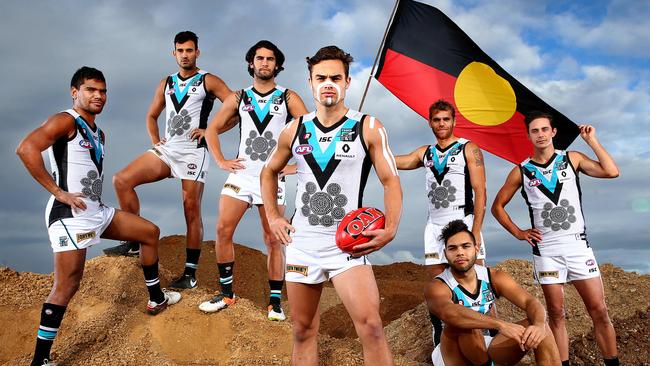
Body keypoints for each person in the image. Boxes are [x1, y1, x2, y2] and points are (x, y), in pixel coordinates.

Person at [16, 67, 181, 366]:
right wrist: (58, 192)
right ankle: (40, 360)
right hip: (70, 215)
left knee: (149, 232)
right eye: (91, 90)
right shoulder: (64, 120)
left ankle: (156, 298)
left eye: (103, 91)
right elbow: (26, 148)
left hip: (97, 211)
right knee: (68, 285)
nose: (98, 96)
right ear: (75, 92)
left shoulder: (98, 132)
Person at [260, 46, 402, 365]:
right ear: (310, 82)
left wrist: (391, 227)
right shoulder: (294, 130)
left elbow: (391, 181)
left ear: (348, 82)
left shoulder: (369, 126)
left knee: (372, 327)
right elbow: (268, 172)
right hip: (303, 243)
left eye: (336, 77)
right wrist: (273, 216)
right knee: (303, 330)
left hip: (347, 245)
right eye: (321, 77)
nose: (328, 83)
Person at [104, 31, 233, 290]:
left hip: (194, 151)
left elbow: (238, 109)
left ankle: (190, 274)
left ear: (198, 52)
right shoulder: (166, 82)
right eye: (180, 50)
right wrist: (155, 140)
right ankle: (132, 243)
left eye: (189, 50)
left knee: (190, 208)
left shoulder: (209, 80)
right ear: (173, 53)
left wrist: (211, 132)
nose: (185, 55)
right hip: (169, 149)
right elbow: (151, 115)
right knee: (122, 180)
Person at [491, 111, 620, 366]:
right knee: (557, 315)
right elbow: (497, 206)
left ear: (554, 132)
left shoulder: (572, 158)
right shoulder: (522, 170)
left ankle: (612, 362)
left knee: (599, 311)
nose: (540, 135)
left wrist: (591, 141)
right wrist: (519, 232)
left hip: (577, 245)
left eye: (544, 130)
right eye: (534, 131)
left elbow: (611, 171)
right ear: (529, 135)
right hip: (547, 250)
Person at [197, 40, 307, 320]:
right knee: (222, 229)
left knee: (273, 240)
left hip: (272, 177)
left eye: (270, 59)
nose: (264, 63)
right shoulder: (239, 97)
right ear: (251, 63)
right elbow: (211, 130)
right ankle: (227, 294)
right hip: (242, 174)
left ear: (278, 65)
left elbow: (310, 134)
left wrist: (295, 166)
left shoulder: (288, 97)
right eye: (260, 58)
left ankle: (274, 303)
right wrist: (221, 161)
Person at [394, 99, 487, 346]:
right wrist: (368, 151)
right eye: (437, 120)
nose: (441, 123)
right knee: (438, 286)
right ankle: (442, 342)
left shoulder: (469, 148)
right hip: (434, 226)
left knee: (477, 284)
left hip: (462, 220)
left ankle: (488, 340)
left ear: (454, 121)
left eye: (446, 119)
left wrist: (475, 232)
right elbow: (394, 161)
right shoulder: (425, 152)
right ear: (430, 122)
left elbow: (481, 191)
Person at [425, 219, 560, 365]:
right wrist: (501, 325)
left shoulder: (494, 277)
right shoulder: (437, 286)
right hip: (452, 352)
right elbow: (450, 313)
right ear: (445, 253)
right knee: (462, 324)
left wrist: (539, 325)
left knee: (540, 327)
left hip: (486, 346)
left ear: (476, 249)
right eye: (453, 248)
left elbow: (530, 302)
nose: (460, 252)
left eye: (465, 246)